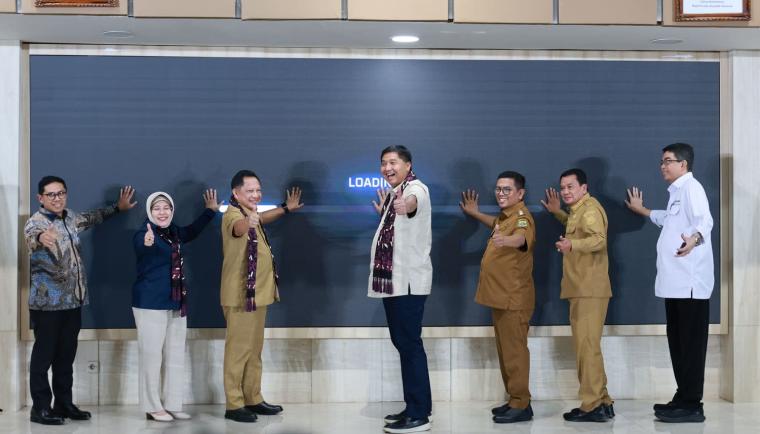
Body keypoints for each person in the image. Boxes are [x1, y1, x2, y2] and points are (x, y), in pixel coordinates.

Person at [23, 176, 136, 425]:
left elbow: (93, 217)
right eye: (51, 194)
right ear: (40, 198)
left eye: (61, 193)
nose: (57, 198)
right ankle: (40, 408)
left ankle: (64, 404)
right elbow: (32, 238)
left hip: (73, 302)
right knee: (43, 358)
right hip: (47, 306)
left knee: (65, 357)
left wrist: (118, 208)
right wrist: (42, 238)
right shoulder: (36, 223)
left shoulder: (71, 217)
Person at [625, 143, 713, 423]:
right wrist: (643, 211)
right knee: (678, 342)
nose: (662, 166)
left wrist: (694, 239)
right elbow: (668, 219)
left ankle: (692, 405)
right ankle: (683, 395)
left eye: (667, 161)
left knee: (690, 345)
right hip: (675, 284)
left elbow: (705, 220)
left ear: (683, 164)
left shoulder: (692, 188)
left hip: (690, 284)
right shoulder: (677, 193)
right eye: (662, 161)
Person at [220, 170, 303, 423]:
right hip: (240, 296)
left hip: (256, 295)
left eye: (258, 190)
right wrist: (250, 221)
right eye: (250, 191)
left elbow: (260, 218)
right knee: (238, 351)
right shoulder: (233, 215)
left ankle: (252, 398)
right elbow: (240, 227)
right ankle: (234, 404)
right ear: (236, 193)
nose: (256, 194)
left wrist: (285, 209)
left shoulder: (249, 212)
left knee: (254, 350)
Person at [132, 189, 219, 422]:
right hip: (150, 303)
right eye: (156, 208)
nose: (162, 212)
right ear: (149, 211)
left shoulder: (173, 233)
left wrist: (210, 212)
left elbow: (191, 231)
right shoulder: (144, 233)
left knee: (175, 354)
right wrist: (147, 243)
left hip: (177, 300)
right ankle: (152, 406)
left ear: (172, 210)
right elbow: (141, 246)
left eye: (166, 208)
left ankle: (173, 404)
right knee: (151, 356)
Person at [460, 171, 536, 424]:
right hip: (501, 297)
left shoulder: (522, 217)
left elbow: (521, 238)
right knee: (506, 352)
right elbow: (495, 223)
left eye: (507, 190)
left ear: (520, 193)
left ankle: (522, 404)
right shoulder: (506, 217)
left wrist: (507, 240)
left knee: (515, 353)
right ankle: (514, 399)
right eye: (498, 189)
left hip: (514, 298)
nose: (501, 194)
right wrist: (475, 213)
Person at [542, 168, 614, 422]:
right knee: (589, 347)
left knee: (587, 348)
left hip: (588, 289)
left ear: (584, 187)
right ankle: (602, 401)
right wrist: (557, 213)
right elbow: (577, 228)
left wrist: (572, 245)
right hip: (583, 288)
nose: (565, 192)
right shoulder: (580, 210)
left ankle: (592, 405)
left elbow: (598, 239)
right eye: (562, 188)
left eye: (570, 187)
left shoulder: (590, 209)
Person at [369, 145, 433, 434]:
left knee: (410, 345)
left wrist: (405, 205)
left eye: (393, 162)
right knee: (404, 345)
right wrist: (388, 210)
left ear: (408, 165)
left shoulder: (416, 189)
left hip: (408, 283)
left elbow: (413, 202)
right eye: (384, 163)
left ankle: (419, 415)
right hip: (394, 283)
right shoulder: (396, 193)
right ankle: (416, 407)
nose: (387, 168)